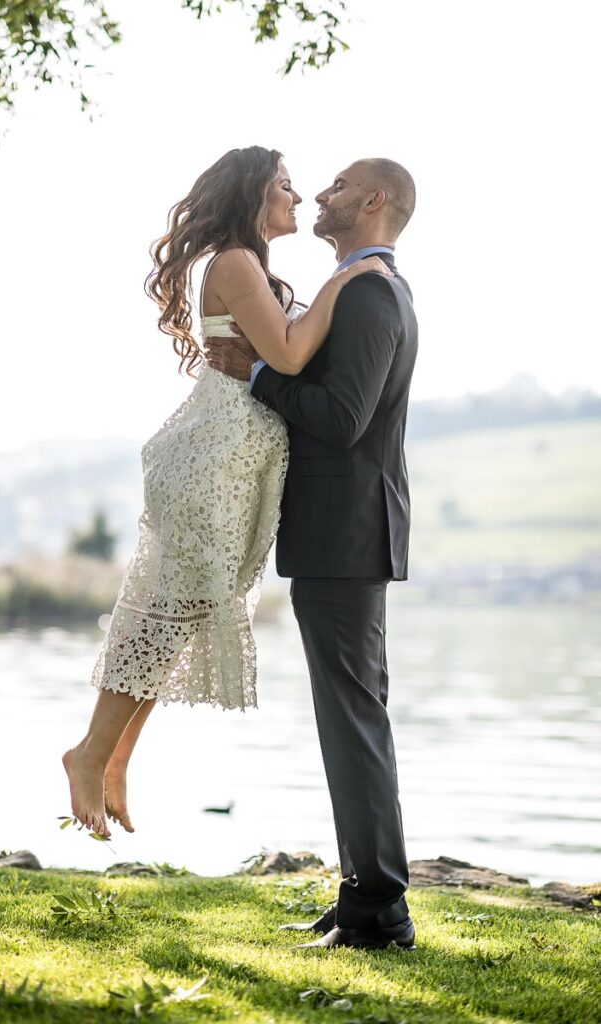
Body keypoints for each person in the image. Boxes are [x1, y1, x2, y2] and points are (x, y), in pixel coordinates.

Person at [61, 147, 389, 841]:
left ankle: (111, 758)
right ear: (252, 196)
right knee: (168, 610)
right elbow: (290, 355)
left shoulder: (252, 267)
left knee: (180, 612)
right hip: (212, 456)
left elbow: (287, 353)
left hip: (236, 461)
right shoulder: (236, 262)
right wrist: (345, 277)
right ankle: (90, 754)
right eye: (284, 186)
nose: (297, 197)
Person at [204, 158, 419, 951]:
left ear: (373, 200)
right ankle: (364, 896)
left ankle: (377, 911)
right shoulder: (367, 287)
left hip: (344, 534)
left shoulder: (368, 293)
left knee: (352, 720)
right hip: (344, 534)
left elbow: (341, 417)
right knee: (351, 718)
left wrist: (257, 373)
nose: (320, 195)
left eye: (337, 186)